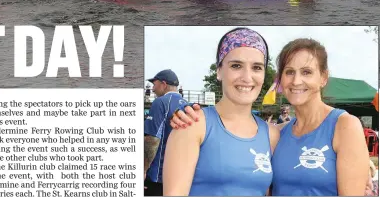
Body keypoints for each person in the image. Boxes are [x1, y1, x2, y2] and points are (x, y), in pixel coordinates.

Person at [170, 38, 370, 196]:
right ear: (280, 80)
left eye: (307, 72)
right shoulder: (277, 134)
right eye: (289, 72)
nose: (296, 81)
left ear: (324, 78)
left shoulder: (344, 125)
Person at [162, 27, 279, 196]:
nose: (247, 77)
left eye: (257, 67)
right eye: (236, 66)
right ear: (219, 71)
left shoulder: (272, 134)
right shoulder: (193, 124)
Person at [144, 69, 188, 196]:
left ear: (163, 84)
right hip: (179, 177)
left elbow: (152, 139)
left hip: (158, 177)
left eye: (155, 84)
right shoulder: (188, 105)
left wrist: (143, 169)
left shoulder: (161, 102)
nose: (153, 89)